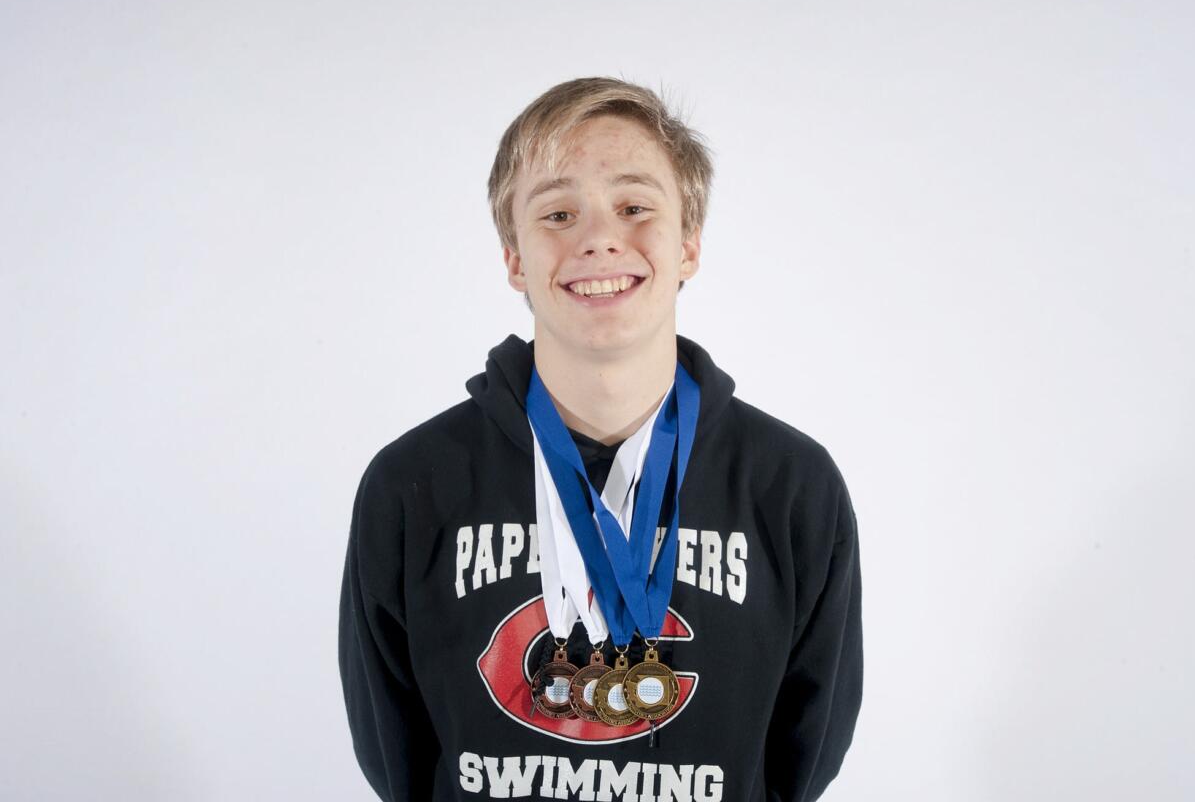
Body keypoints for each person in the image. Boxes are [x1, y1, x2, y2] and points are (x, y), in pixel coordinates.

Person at [338, 76, 863, 802]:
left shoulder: (791, 487)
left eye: (634, 206)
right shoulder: (412, 485)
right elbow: (396, 758)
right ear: (515, 258)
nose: (599, 237)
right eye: (557, 213)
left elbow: (801, 761)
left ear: (688, 245)